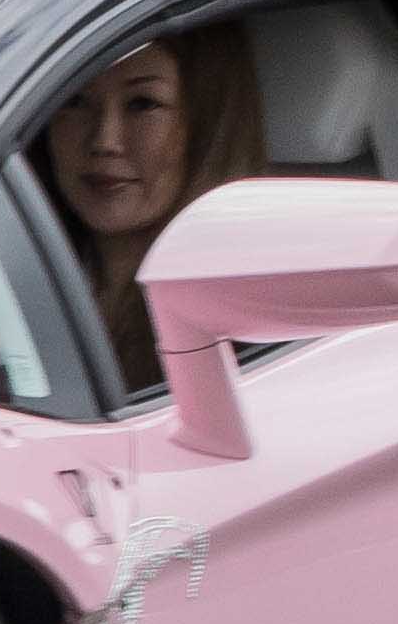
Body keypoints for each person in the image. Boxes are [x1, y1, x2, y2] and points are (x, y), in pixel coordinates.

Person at [39, 24, 266, 386]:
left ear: (206, 127)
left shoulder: (246, 319)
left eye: (142, 104)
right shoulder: (0, 265)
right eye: (75, 101)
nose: (105, 140)